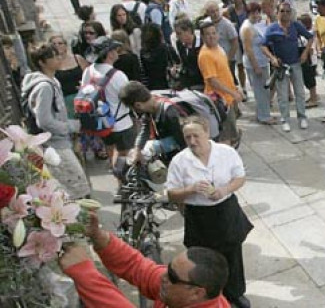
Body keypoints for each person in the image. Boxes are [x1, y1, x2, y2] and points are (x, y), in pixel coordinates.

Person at [165, 115, 253, 308]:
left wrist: (224, 190)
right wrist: (191, 189)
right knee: (202, 261)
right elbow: (171, 193)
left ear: (207, 133)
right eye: (187, 137)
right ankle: (210, 298)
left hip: (225, 211)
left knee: (232, 255)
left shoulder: (225, 152)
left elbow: (239, 177)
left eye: (196, 135)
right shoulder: (180, 161)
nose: (192, 141)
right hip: (199, 216)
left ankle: (236, 294)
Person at [60, 213, 231, 307]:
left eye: (171, 275)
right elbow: (140, 268)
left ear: (196, 292)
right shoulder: (181, 290)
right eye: (168, 267)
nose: (163, 276)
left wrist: (84, 273)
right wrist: (101, 238)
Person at [21, 44, 91, 199]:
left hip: (60, 142)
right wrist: (71, 126)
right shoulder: (44, 87)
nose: (59, 59)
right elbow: (44, 121)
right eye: (53, 56)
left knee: (76, 187)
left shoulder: (52, 81)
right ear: (42, 62)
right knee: (76, 189)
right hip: (54, 145)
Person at [82, 39, 136, 167]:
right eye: (114, 50)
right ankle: (126, 184)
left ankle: (118, 180)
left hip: (102, 123)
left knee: (112, 154)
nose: (117, 52)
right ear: (109, 54)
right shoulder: (118, 75)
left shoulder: (88, 71)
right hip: (121, 124)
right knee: (126, 160)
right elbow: (129, 98)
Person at [262, 2, 315, 132]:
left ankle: (302, 117)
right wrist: (272, 58)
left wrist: (305, 52)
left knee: (300, 92)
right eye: (282, 11)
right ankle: (285, 119)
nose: (285, 14)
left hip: (295, 63)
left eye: (287, 11)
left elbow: (310, 37)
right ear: (277, 12)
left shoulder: (296, 26)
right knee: (282, 94)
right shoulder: (272, 28)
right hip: (281, 66)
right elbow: (263, 46)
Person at [197, 21, 243, 146]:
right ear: (202, 37)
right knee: (225, 137)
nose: (211, 36)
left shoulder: (219, 48)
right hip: (220, 100)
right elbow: (213, 81)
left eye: (214, 33)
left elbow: (225, 72)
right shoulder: (205, 55)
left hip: (228, 97)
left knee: (231, 131)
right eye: (207, 34)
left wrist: (235, 88)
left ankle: (235, 139)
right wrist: (232, 92)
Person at [119, 82, 187, 164]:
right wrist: (138, 149)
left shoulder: (169, 112)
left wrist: (155, 147)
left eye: (132, 108)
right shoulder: (152, 101)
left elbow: (184, 141)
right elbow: (145, 128)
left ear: (138, 105)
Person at [241, 2, 275, 125]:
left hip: (262, 61)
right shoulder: (247, 28)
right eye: (253, 13)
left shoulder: (256, 24)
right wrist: (255, 66)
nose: (256, 15)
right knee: (260, 90)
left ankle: (261, 113)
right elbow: (248, 49)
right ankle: (264, 116)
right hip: (255, 63)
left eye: (257, 12)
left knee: (263, 90)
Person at [203, 2, 242, 96]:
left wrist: (228, 58)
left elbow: (235, 42)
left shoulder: (227, 24)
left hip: (226, 57)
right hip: (212, 58)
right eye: (212, 12)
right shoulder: (206, 23)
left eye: (217, 11)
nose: (215, 13)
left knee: (229, 82)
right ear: (208, 13)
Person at [140, 24, 177, 91]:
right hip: (167, 83)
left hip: (150, 85)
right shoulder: (166, 48)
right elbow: (177, 63)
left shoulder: (143, 52)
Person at [173, 19, 205, 91]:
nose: (177, 36)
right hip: (188, 82)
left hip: (201, 81)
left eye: (179, 33)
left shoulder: (201, 44)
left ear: (189, 31)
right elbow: (185, 63)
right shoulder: (179, 44)